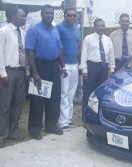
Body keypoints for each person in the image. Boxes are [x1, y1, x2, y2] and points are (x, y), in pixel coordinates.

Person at [25, 4, 68, 140]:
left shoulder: (55, 30)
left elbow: (60, 49)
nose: (50, 15)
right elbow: (30, 52)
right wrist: (35, 72)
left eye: (51, 13)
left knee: (54, 98)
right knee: (38, 99)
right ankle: (34, 129)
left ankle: (51, 125)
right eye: (47, 13)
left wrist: (63, 67)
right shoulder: (34, 30)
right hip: (40, 67)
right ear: (42, 14)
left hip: (54, 66)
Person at [0, 7, 27, 148]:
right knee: (4, 105)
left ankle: (13, 131)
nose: (25, 18)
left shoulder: (23, 33)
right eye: (22, 16)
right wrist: (3, 74)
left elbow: (25, 54)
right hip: (8, 72)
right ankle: (1, 135)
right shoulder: (3, 31)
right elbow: (0, 55)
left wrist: (27, 72)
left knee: (18, 104)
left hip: (21, 72)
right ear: (13, 17)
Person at [79, 18, 115, 114]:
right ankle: (86, 116)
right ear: (95, 27)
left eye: (102, 25)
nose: (100, 27)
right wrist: (84, 70)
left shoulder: (108, 40)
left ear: (105, 26)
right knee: (88, 93)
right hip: (91, 67)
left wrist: (111, 68)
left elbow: (111, 55)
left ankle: (97, 115)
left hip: (103, 68)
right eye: (98, 26)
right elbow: (84, 55)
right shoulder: (88, 38)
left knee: (100, 93)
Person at [56, 8, 81, 131]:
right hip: (64, 65)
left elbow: (78, 47)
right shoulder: (59, 28)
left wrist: (79, 64)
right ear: (64, 16)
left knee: (71, 94)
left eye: (74, 15)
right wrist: (62, 66)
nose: (72, 17)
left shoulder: (77, 29)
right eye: (70, 15)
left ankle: (68, 119)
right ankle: (62, 122)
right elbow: (58, 48)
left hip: (74, 65)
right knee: (63, 93)